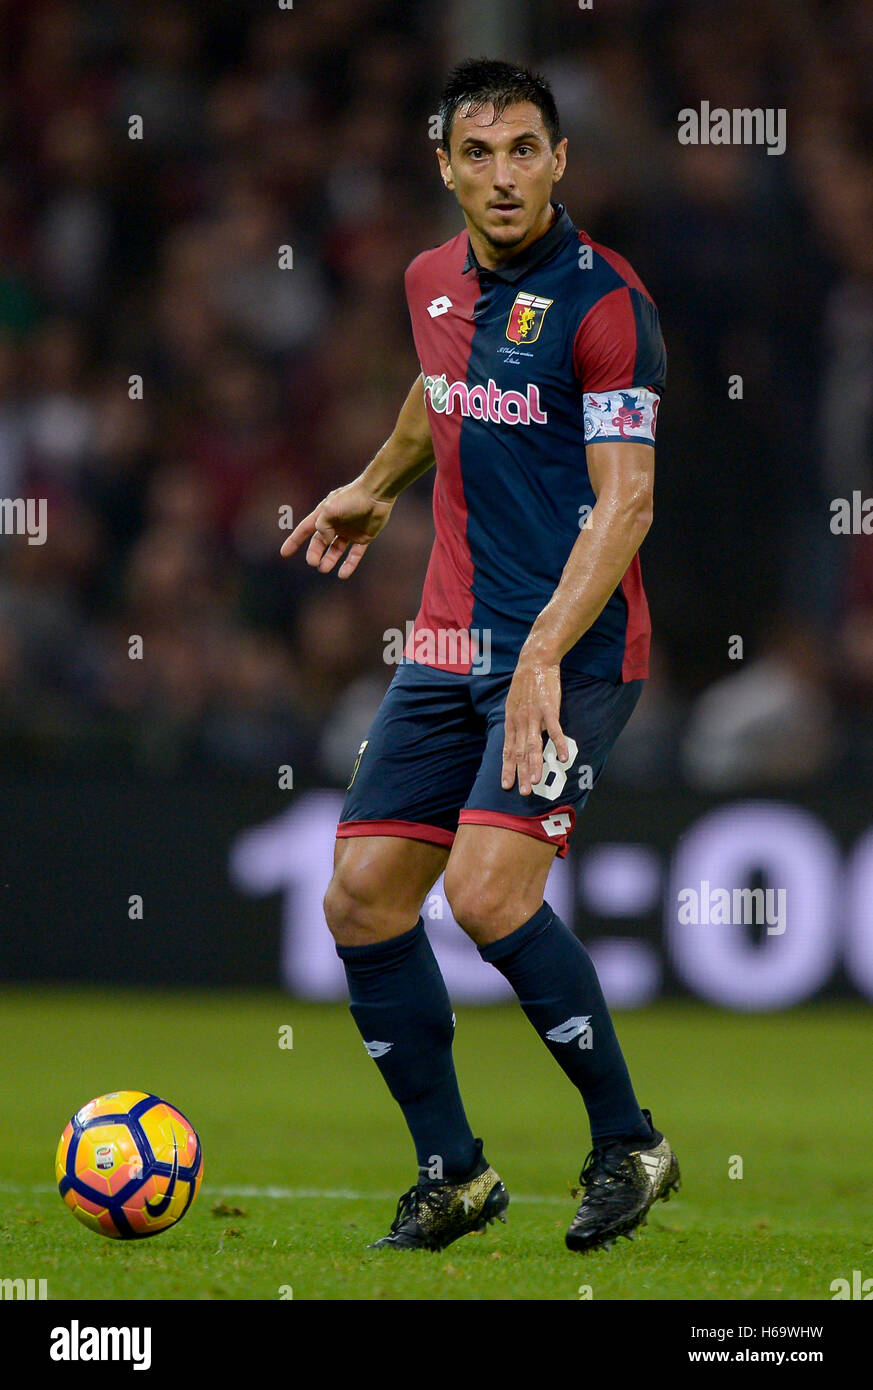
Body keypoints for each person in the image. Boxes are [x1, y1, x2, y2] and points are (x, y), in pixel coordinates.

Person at [281, 58, 679, 1253]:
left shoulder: (610, 306)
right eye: (478, 154)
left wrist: (548, 650)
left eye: (524, 151)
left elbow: (630, 503)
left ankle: (631, 1142)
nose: (502, 177)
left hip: (575, 647)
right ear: (444, 166)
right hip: (449, 639)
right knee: (358, 898)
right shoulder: (429, 281)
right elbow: (436, 387)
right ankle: (454, 1172)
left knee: (489, 890)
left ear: (560, 161)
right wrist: (371, 486)